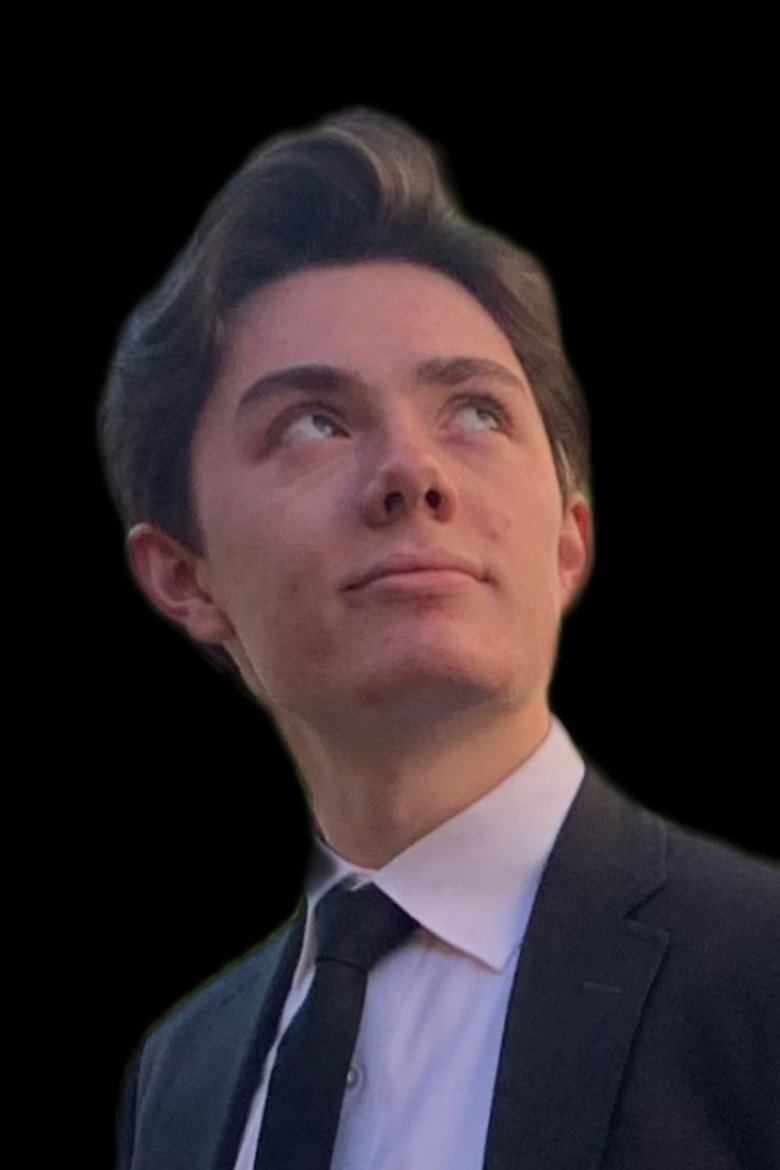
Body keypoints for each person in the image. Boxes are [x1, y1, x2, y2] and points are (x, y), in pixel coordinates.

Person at [100, 108, 779, 1169]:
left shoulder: (760, 981)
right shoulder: (181, 1077)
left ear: (568, 539)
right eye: (315, 421)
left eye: (475, 411)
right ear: (186, 576)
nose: (412, 473)